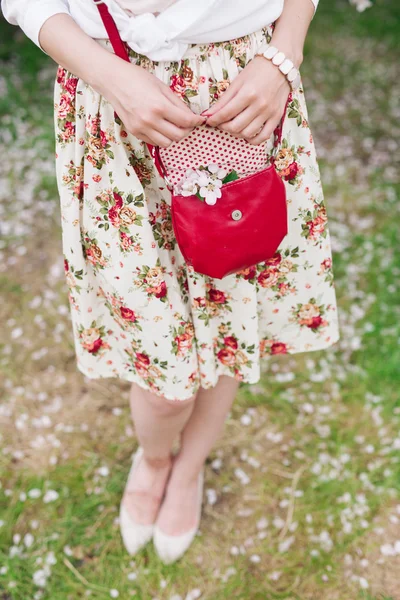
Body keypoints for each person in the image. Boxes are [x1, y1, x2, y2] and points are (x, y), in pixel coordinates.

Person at [2, 0, 340, 564]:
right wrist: (111, 76)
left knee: (231, 312)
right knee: (162, 379)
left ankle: (187, 469)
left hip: (240, 91)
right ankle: (155, 458)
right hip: (114, 102)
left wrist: (285, 52)